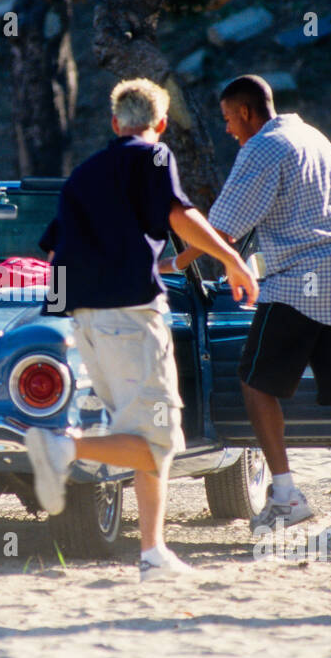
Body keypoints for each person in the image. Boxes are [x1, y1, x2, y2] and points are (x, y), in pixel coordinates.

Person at [25, 78, 258, 582]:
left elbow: (53, 254)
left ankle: (153, 553)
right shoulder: (154, 158)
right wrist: (233, 260)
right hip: (131, 317)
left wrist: (62, 318)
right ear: (160, 124)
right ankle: (64, 446)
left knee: (142, 435)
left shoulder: (82, 175)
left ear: (114, 122)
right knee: (160, 442)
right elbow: (180, 216)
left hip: (87, 321)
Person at [197, 75, 331, 550]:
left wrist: (174, 259)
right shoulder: (314, 137)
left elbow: (223, 228)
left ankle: (285, 494)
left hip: (302, 282)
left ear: (245, 112)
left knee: (255, 382)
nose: (227, 130)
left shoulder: (263, 147)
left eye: (227, 120)